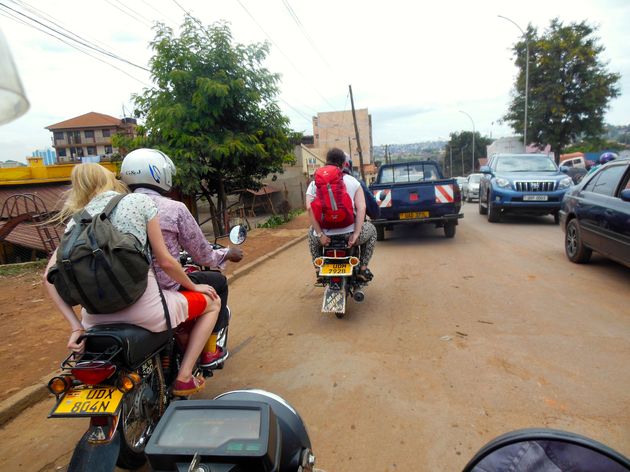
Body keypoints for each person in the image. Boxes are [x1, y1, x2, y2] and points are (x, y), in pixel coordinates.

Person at [44, 163, 220, 396]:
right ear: (113, 182)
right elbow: (166, 261)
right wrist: (194, 286)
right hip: (147, 312)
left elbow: (48, 277)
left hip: (93, 321)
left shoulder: (78, 219)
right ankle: (185, 376)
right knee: (212, 303)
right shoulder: (139, 203)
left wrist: (76, 326)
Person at [119, 148, 243, 367]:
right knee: (218, 284)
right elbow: (202, 253)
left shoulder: (116, 207)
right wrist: (227, 253)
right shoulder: (173, 208)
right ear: (159, 174)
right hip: (164, 289)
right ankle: (209, 351)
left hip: (125, 290)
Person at [306, 147, 377, 282]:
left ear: (326, 162)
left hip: (326, 237)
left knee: (310, 233)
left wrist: (320, 235)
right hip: (348, 236)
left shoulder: (315, 183)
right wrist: (356, 234)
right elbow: (362, 207)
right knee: (372, 231)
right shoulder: (353, 181)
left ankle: (318, 269)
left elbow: (309, 209)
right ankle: (362, 269)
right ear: (344, 164)